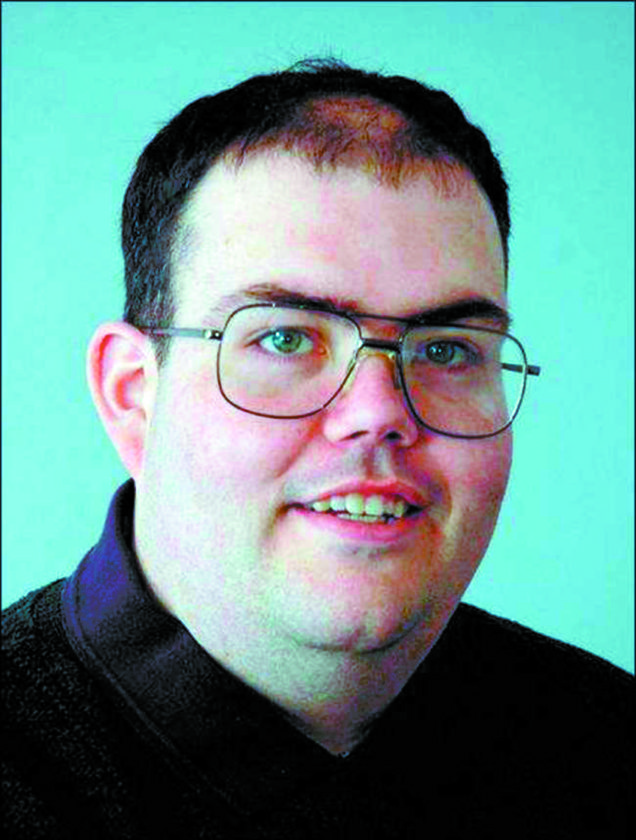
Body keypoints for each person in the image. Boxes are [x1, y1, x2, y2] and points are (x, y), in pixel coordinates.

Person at [2, 58, 631, 839]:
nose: (378, 414)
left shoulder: (609, 748)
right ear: (134, 395)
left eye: (445, 350)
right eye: (285, 338)